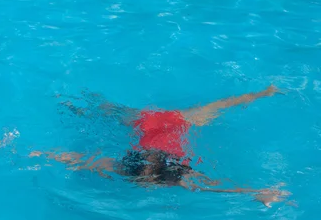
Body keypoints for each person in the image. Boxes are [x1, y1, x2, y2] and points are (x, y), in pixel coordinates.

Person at [30, 85, 288, 207]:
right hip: (149, 122)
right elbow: (79, 158)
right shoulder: (128, 168)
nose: (147, 188)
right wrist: (45, 154)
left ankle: (264, 92)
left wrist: (256, 191)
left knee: (106, 110)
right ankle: (77, 104)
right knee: (107, 110)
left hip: (174, 121)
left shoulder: (175, 176)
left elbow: (216, 187)